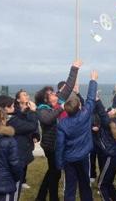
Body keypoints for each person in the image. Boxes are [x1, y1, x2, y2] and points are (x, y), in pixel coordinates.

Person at [35, 60, 81, 201]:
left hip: (59, 144)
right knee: (54, 173)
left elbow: (68, 86)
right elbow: (47, 119)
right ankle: (51, 197)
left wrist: (74, 69)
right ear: (46, 99)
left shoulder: (59, 101)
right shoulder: (42, 109)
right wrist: (61, 107)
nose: (56, 94)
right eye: (52, 93)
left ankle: (41, 197)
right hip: (51, 147)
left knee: (53, 172)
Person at [56, 69, 99, 201]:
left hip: (69, 159)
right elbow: (91, 99)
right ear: (80, 107)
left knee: (70, 187)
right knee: (85, 185)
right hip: (83, 156)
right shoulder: (85, 115)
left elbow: (60, 145)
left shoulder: (62, 123)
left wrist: (59, 164)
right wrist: (93, 80)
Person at [94, 97, 116, 201]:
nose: (110, 110)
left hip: (110, 156)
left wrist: (97, 100)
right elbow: (114, 108)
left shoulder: (110, 123)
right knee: (109, 182)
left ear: (115, 115)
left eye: (112, 110)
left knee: (102, 185)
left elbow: (102, 113)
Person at [13, 89, 40, 190]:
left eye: (27, 94)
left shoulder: (30, 109)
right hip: (18, 138)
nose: (27, 96)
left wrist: (36, 135)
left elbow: (34, 123)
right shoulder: (15, 110)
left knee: (25, 159)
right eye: (24, 95)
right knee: (19, 160)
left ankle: (23, 180)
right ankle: (18, 180)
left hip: (28, 138)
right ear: (18, 99)